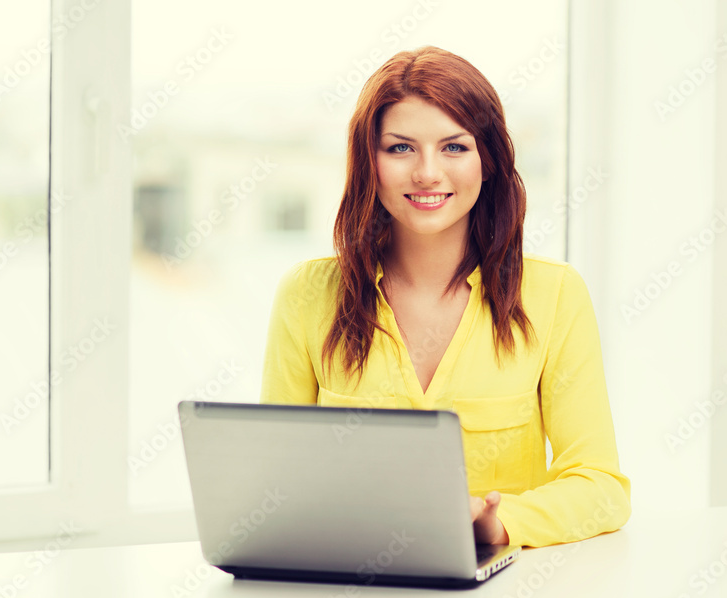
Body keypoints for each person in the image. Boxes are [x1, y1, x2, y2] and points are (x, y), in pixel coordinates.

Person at [259, 45, 630, 548]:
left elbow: (602, 488)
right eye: (400, 148)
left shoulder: (554, 295)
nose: (427, 173)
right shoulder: (306, 296)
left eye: (454, 147)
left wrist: (499, 523)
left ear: (488, 161)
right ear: (368, 162)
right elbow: (276, 481)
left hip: (504, 581)